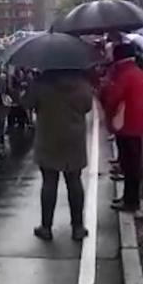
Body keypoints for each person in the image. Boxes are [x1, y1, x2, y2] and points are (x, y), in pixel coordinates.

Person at [22, 70, 93, 241]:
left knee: (49, 183)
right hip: (74, 140)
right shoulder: (82, 84)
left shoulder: (41, 84)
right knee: (75, 182)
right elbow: (88, 106)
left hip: (48, 138)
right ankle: (77, 227)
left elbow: (26, 103)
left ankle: (46, 227)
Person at [101, 43, 143, 212]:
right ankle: (130, 198)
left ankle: (130, 200)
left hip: (125, 123)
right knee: (132, 163)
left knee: (129, 164)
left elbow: (113, 97)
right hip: (137, 122)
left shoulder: (123, 74)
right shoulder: (137, 71)